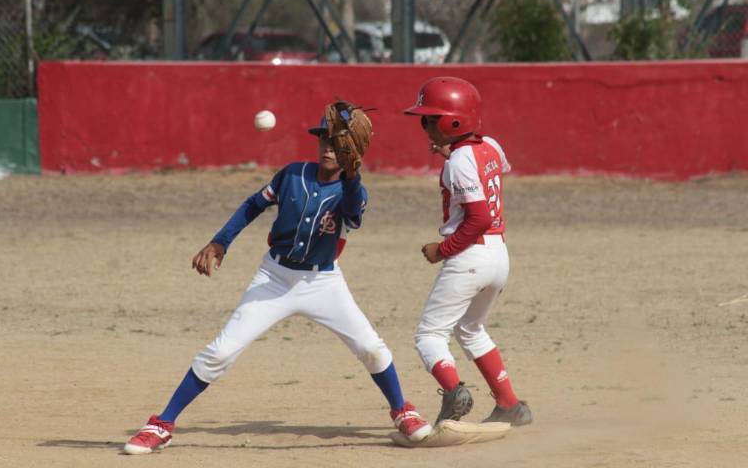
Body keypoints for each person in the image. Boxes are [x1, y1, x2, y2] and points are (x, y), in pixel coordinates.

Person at [123, 102, 432, 454]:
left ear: (355, 150)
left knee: (372, 349)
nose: (330, 147)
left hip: (323, 283)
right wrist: (221, 242)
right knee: (221, 352)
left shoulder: (355, 192)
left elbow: (350, 212)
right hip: (274, 277)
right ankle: (162, 423)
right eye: (325, 139)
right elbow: (254, 204)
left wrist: (351, 174)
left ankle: (402, 410)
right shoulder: (292, 174)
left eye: (340, 142)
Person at [402, 76, 533, 427]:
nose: (424, 125)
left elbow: (478, 217)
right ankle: (509, 404)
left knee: (429, 336)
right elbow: (492, 172)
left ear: (452, 121)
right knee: (471, 329)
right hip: (498, 255)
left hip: (470, 255)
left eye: (429, 119)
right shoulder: (489, 145)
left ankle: (453, 391)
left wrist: (441, 250)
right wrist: (453, 153)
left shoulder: (458, 161)